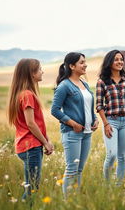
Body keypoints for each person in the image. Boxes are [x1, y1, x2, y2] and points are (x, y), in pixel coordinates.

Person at [51, 52, 98, 196]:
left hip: (87, 133)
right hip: (72, 133)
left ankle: (75, 200)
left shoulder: (84, 83)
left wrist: (95, 119)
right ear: (72, 66)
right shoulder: (64, 86)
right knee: (71, 169)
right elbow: (55, 110)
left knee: (79, 170)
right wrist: (73, 124)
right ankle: (67, 202)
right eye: (82, 62)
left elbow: (88, 106)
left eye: (85, 61)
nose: (85, 65)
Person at [7, 59, 54, 200]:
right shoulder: (27, 95)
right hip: (31, 147)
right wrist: (45, 143)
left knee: (31, 187)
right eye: (40, 69)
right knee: (32, 189)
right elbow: (31, 123)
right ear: (31, 74)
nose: (42, 71)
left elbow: (35, 123)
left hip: (25, 146)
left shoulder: (20, 93)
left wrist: (47, 139)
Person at [96, 50, 125, 182]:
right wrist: (105, 123)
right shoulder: (102, 82)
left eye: (121, 59)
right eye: (116, 59)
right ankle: (108, 185)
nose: (120, 62)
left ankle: (118, 186)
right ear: (109, 62)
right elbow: (99, 105)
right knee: (112, 154)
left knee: (122, 156)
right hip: (111, 121)